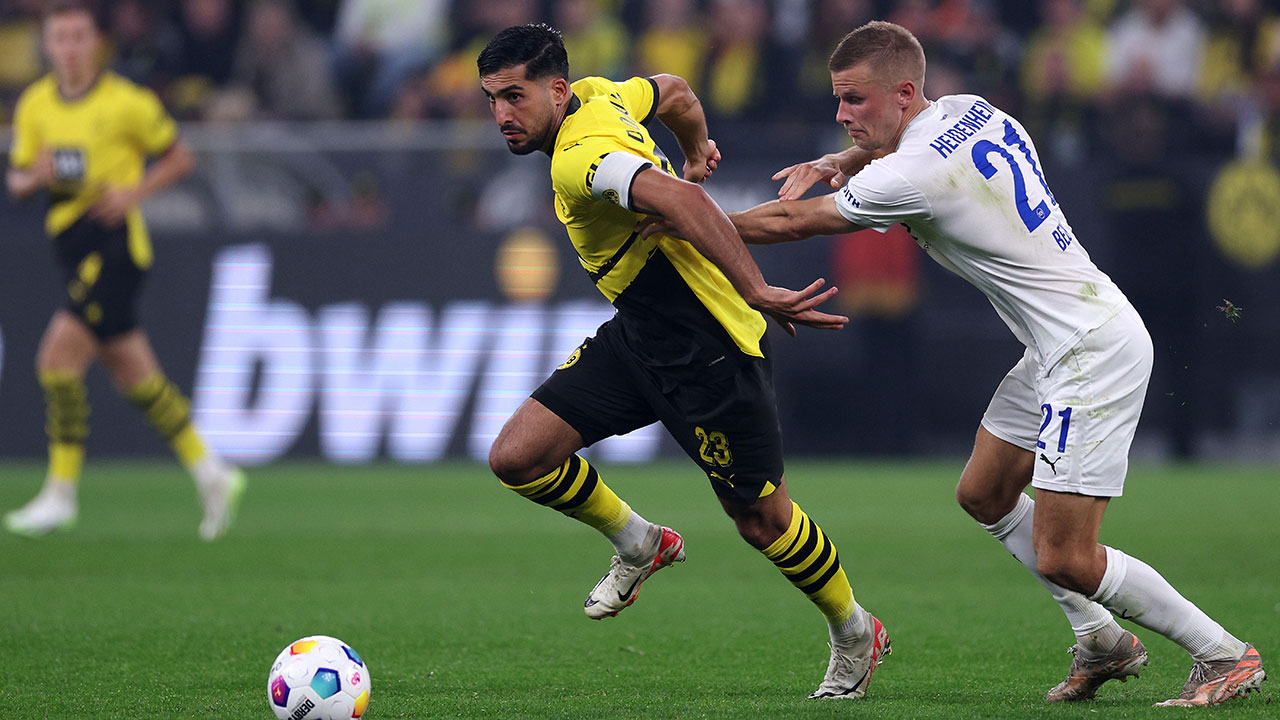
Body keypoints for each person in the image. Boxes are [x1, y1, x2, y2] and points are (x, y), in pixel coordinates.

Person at [690, 20, 1266, 707]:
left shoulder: (911, 174)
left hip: (1089, 350)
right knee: (985, 494)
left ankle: (1223, 654)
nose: (841, 116)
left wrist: (679, 214)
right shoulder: (970, 109)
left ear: (904, 93)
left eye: (855, 102)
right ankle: (1103, 639)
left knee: (1067, 556)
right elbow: (904, 150)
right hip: (1066, 338)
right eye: (838, 103)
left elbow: (788, 223)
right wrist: (843, 159)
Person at [477, 23, 891, 699]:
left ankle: (853, 630)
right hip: (641, 334)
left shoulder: (578, 158)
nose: (501, 114)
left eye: (514, 97)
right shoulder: (600, 96)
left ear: (555, 90)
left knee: (763, 520)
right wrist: (697, 148)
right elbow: (673, 91)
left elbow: (685, 200)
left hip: (709, 348)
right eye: (492, 98)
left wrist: (756, 289)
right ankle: (640, 543)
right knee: (518, 457)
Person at [4, 1, 245, 541]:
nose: (68, 48)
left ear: (96, 44)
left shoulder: (126, 103)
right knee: (136, 377)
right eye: (59, 38)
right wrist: (34, 176)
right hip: (70, 247)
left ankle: (61, 493)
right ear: (47, 45)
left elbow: (180, 156)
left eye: (78, 37)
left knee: (56, 361)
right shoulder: (36, 105)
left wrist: (135, 192)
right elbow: (17, 182)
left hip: (116, 251)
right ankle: (211, 471)